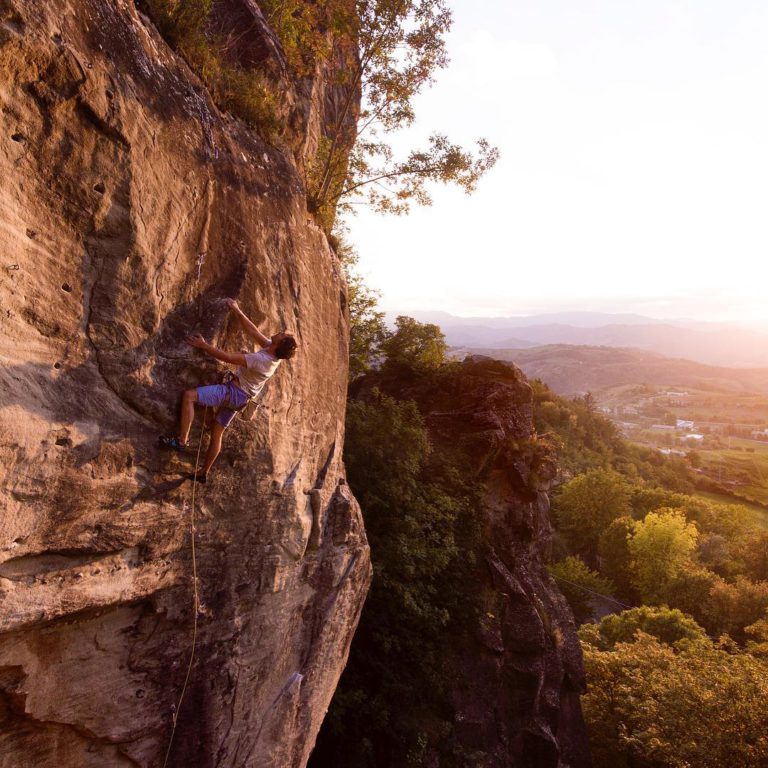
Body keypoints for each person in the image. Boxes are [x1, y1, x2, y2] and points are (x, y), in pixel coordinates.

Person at [159, 298, 297, 482]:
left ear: (279, 344)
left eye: (282, 335)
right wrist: (237, 310)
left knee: (189, 396)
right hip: (241, 399)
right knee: (217, 432)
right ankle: (203, 472)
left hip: (232, 393)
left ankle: (182, 441)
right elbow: (253, 331)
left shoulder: (262, 360)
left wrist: (204, 346)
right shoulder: (272, 352)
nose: (280, 332)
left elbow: (228, 357)